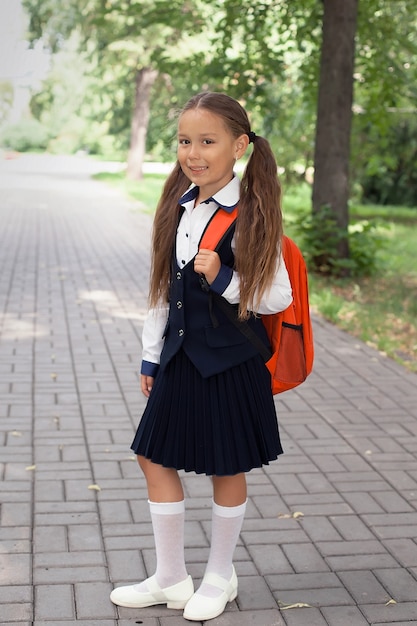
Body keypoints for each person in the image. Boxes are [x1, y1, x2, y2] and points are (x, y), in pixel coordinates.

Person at [110, 91, 292, 621]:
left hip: (231, 362)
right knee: (153, 454)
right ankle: (170, 578)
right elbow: (164, 290)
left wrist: (227, 278)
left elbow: (278, 296)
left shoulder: (253, 212)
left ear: (238, 145)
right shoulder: (180, 204)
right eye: (185, 141)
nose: (193, 151)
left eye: (207, 141)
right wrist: (150, 357)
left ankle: (219, 575)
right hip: (180, 356)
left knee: (225, 464)